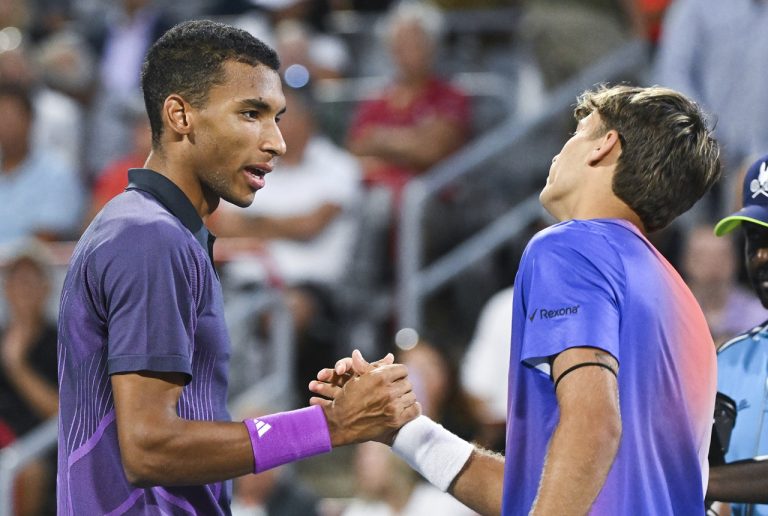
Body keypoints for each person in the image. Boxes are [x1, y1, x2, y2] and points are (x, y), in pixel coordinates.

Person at [56, 20, 419, 515]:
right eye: (251, 114)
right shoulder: (149, 238)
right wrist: (330, 428)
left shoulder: (153, 230)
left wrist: (321, 417)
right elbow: (149, 447)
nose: (277, 142)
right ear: (181, 116)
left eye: (277, 117)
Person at [312, 84, 722, 514]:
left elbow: (595, 427)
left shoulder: (569, 247)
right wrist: (402, 429)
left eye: (578, 133)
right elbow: (539, 494)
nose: (559, 152)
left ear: (605, 145)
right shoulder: (682, 300)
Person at [345, 1, 469, 203]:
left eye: (416, 43)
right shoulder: (376, 100)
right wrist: (411, 143)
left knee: (399, 201)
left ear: (432, 45)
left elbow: (431, 152)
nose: (407, 52)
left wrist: (380, 140)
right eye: (400, 45)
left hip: (433, 198)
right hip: (377, 194)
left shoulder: (450, 95)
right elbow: (357, 152)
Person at [706, 153, 768, 513]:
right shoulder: (728, 362)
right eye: (753, 239)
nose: (761, 256)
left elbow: (705, 478)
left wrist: (700, 479)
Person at [0, 243, 59, 516]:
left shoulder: (63, 343)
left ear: (46, 288)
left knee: (29, 471)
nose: (23, 289)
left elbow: (63, 414)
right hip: (5, 441)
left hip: (43, 447)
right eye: (16, 280)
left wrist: (17, 366)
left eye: (31, 280)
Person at [681, 224, 766, 347]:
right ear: (686, 261)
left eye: (722, 255)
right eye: (704, 256)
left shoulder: (758, 314)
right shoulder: (670, 312)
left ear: (735, 261)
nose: (713, 263)